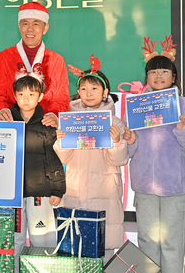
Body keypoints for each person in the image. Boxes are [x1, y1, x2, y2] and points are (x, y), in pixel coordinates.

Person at [124, 49, 185, 273]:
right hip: (144, 183)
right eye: (153, 72)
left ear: (174, 76)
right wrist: (130, 140)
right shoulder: (136, 106)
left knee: (172, 237)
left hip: (175, 185)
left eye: (164, 71)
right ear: (147, 77)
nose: (159, 76)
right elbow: (127, 151)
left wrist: (183, 130)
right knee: (147, 236)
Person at [54, 57, 129, 262]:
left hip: (104, 192)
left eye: (94, 88)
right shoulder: (69, 121)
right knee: (75, 244)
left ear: (105, 92)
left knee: (103, 244)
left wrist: (116, 141)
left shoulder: (115, 123)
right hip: (75, 190)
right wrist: (60, 141)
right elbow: (64, 157)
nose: (88, 93)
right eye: (84, 89)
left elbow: (120, 160)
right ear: (78, 92)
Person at [11, 70, 65, 273]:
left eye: (31, 94)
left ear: (40, 97)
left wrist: (57, 190)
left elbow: (54, 160)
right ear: (14, 96)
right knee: (14, 239)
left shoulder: (48, 125)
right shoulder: (5, 123)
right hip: (12, 196)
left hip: (40, 193)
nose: (26, 99)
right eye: (21, 94)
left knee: (43, 237)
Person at [0, 1, 70, 126]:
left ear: (45, 28)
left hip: (45, 128)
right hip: (11, 126)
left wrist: (54, 115)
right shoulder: (2, 58)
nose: (30, 29)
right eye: (25, 23)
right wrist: (0, 110)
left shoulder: (56, 60)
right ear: (19, 26)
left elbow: (60, 98)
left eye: (36, 24)